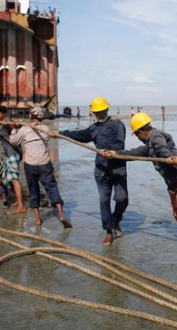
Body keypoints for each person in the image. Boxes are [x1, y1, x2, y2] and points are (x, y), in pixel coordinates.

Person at [103, 113, 177, 256]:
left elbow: (162, 150)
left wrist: (168, 158)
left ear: (141, 132)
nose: (137, 138)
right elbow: (134, 152)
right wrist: (114, 153)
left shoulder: (155, 136)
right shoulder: (150, 144)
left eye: (136, 135)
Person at [54, 97, 128, 245]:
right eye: (97, 112)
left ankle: (115, 220)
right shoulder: (93, 129)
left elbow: (120, 143)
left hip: (118, 169)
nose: (99, 114)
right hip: (101, 171)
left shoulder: (117, 125)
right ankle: (108, 231)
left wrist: (111, 152)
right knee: (104, 200)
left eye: (101, 111)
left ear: (107, 109)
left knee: (122, 199)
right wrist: (60, 133)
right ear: (93, 113)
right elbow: (79, 135)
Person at [10, 107, 71, 227]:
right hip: (45, 164)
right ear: (41, 117)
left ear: (30, 117)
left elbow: (13, 142)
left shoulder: (24, 129)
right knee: (52, 188)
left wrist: (14, 129)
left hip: (31, 165)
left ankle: (38, 218)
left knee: (33, 190)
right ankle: (61, 214)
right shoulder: (46, 129)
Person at [0, 106, 27, 214]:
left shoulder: (6, 122)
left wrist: (12, 126)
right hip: (7, 155)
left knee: (14, 179)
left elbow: (11, 128)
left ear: (4, 114)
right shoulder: (0, 123)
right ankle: (19, 198)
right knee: (0, 178)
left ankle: (21, 205)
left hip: (13, 154)